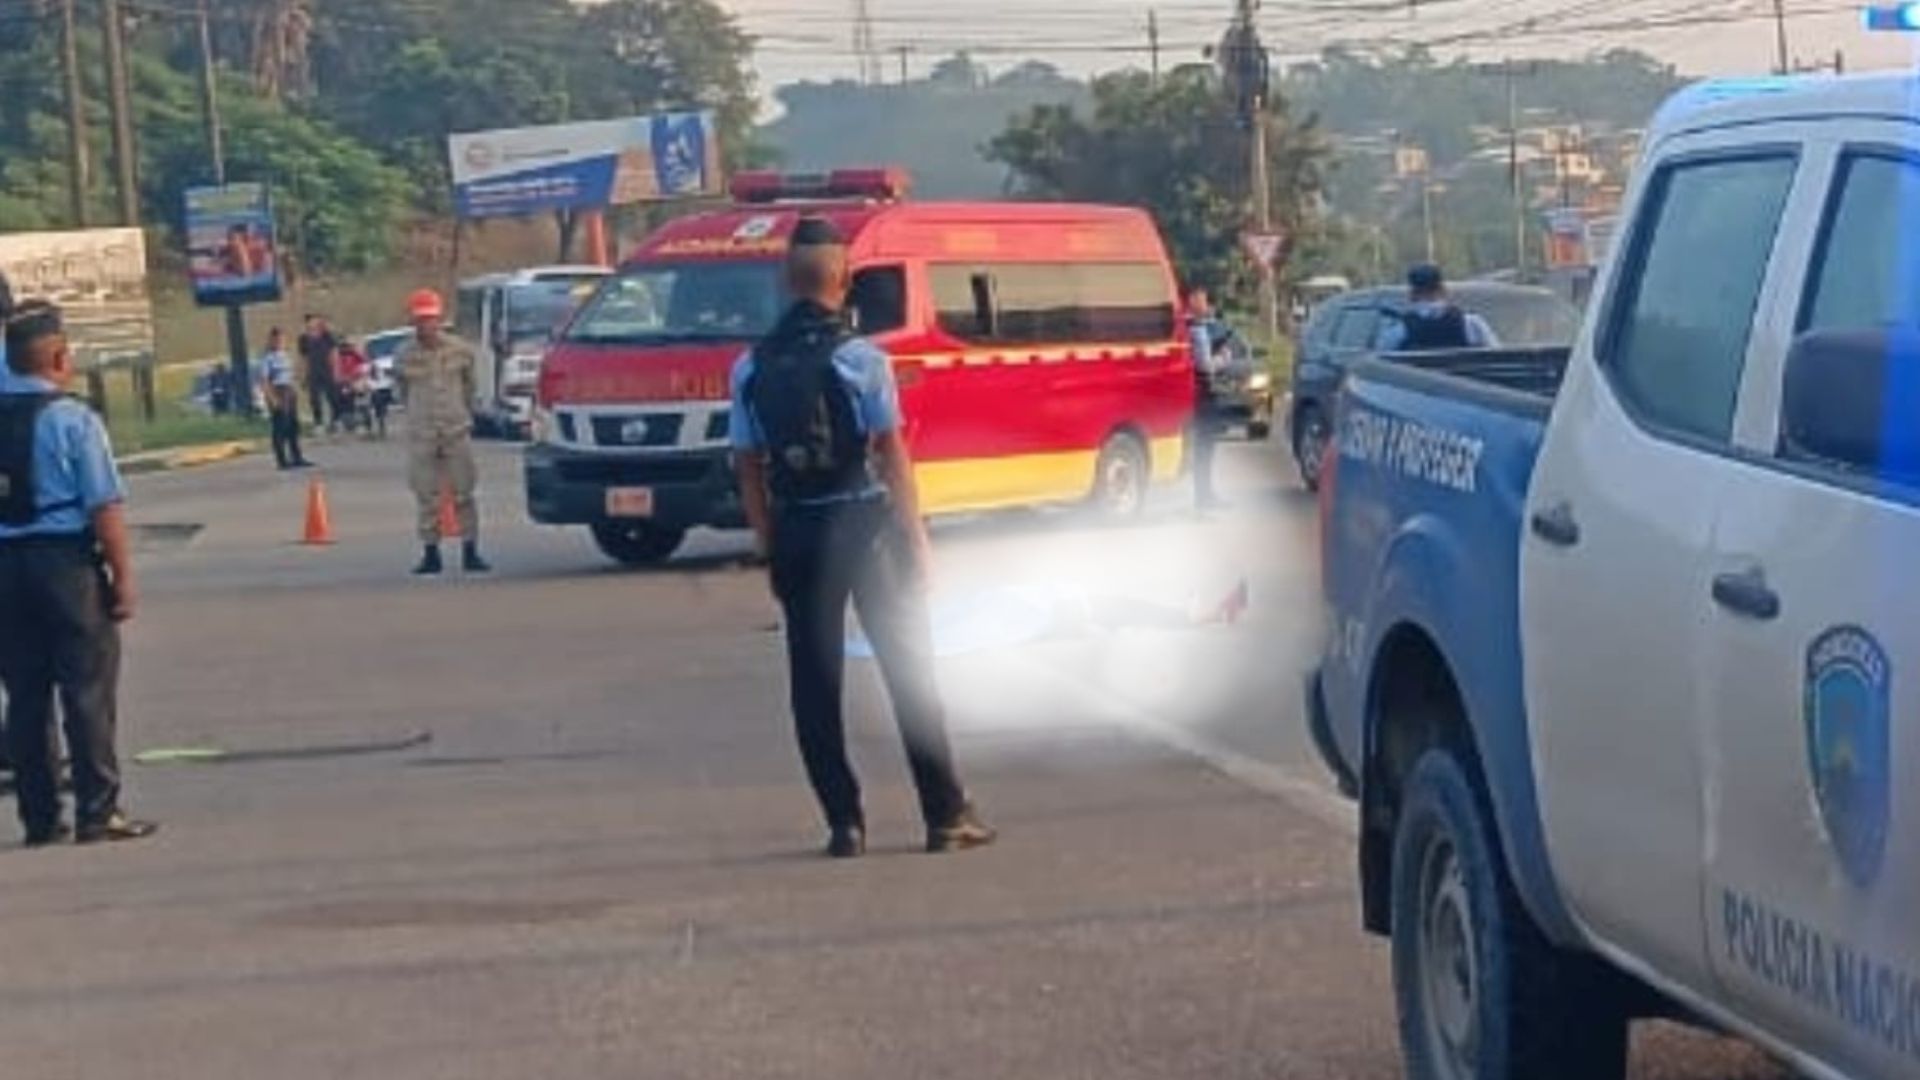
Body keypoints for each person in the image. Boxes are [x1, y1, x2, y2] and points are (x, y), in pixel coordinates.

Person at [731, 217, 994, 860]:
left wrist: (769, 542)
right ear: (843, 277)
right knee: (910, 673)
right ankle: (944, 815)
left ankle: (844, 822)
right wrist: (919, 541)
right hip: (866, 524)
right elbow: (892, 454)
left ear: (787, 281)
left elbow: (746, 463)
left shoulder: (750, 365)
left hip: (798, 528)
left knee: (814, 684)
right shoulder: (863, 359)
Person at [0, 301, 157, 846]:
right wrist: (122, 577)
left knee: (24, 694)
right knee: (87, 689)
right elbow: (104, 507)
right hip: (65, 564)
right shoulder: (73, 419)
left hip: (7, 568)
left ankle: (39, 818)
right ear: (60, 356)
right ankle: (98, 811)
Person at [395, 289, 489, 576]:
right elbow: (402, 391)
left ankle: (470, 550)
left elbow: (470, 385)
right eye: (421, 320)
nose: (426, 326)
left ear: (440, 319)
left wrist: (468, 413)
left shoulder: (459, 350)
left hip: (455, 428)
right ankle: (430, 552)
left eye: (431, 319)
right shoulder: (404, 355)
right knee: (426, 494)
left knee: (464, 491)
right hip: (423, 430)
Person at [1375, 264, 1500, 352]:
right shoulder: (1472, 324)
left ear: (1412, 294)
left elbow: (1378, 364)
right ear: (1443, 290)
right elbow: (1496, 355)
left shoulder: (1398, 331)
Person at [1186, 286, 1229, 512]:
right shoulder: (1197, 330)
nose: (1206, 305)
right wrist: (1223, 358)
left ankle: (1205, 494)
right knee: (1205, 447)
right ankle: (1203, 497)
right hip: (1203, 393)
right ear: (1192, 301)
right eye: (1201, 300)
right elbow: (1205, 366)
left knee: (1204, 447)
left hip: (1196, 394)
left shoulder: (1193, 327)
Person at [259, 328, 309, 470]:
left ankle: (296, 456)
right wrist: (272, 398)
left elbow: (294, 373)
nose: (280, 342)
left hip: (289, 390)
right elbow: (264, 380)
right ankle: (282, 460)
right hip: (277, 390)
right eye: (277, 340)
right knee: (280, 427)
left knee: (293, 426)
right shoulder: (268, 358)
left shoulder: (286, 356)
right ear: (272, 341)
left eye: (282, 339)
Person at [298, 314, 341, 433]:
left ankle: (336, 420)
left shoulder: (327, 336)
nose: (313, 325)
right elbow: (304, 358)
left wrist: (336, 371)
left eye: (316, 323)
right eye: (310, 323)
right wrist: (303, 375)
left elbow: (334, 353)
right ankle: (319, 422)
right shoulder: (304, 339)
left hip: (327, 370)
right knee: (314, 398)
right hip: (313, 371)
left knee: (332, 396)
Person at [333, 339, 372, 436]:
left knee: (362, 394)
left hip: (357, 380)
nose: (345, 349)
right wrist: (344, 380)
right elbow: (337, 374)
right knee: (344, 396)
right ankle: (349, 421)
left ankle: (364, 421)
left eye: (347, 347)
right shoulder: (339, 359)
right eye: (343, 347)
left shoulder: (356, 356)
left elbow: (366, 365)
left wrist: (360, 375)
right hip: (346, 382)